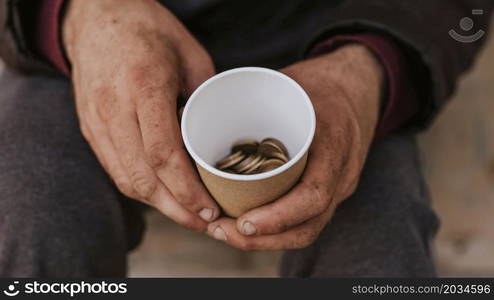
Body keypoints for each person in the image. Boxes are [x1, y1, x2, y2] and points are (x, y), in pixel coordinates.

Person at [0, 0, 492, 277]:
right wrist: (76, 15)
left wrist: (372, 64)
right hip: (102, 38)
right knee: (29, 207)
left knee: (379, 254)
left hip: (338, 42)